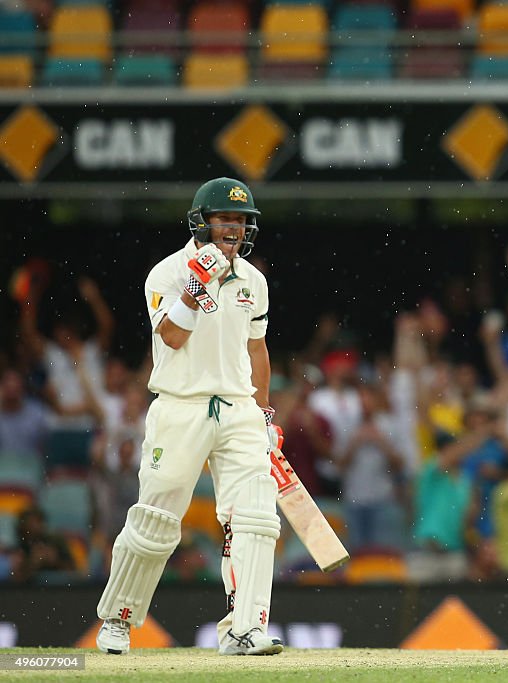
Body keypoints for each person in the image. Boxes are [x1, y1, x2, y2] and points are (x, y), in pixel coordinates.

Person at [95, 177, 284, 656]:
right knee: (156, 521)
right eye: (225, 219)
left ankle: (244, 630)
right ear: (201, 222)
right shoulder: (166, 273)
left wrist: (263, 413)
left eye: (242, 221)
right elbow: (172, 337)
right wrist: (198, 287)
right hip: (181, 406)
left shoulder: (254, 281)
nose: (235, 229)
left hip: (238, 408)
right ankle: (118, 619)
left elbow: (257, 350)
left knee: (257, 514)